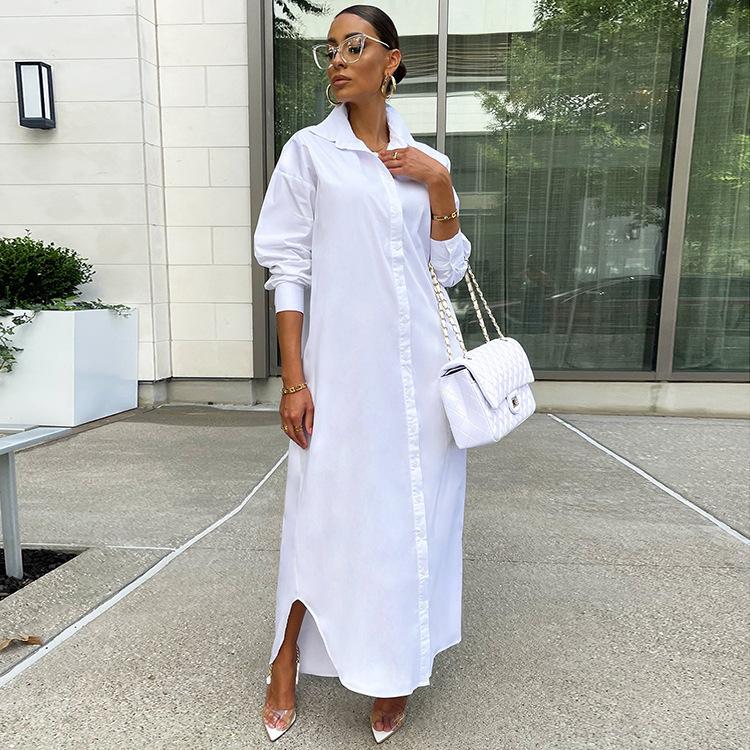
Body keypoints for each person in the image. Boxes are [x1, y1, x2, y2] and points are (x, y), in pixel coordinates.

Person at [252, 5, 472, 743]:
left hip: (422, 382)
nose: (338, 61)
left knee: (409, 522)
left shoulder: (425, 159)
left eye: (354, 46)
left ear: (391, 61)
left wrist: (439, 187)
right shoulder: (309, 153)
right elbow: (289, 269)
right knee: (318, 514)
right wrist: (294, 380)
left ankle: (394, 666)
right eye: (330, 50)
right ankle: (284, 660)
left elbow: (448, 270)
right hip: (341, 374)